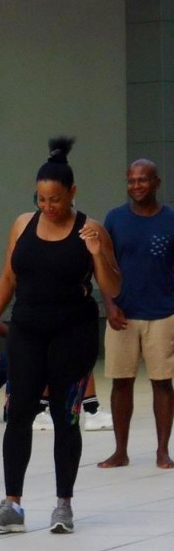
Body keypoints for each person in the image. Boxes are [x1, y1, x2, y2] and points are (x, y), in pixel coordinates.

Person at [0, 137, 121, 535]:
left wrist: (97, 253)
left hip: (72, 332)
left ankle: (63, 505)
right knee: (18, 412)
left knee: (65, 415)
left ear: (72, 192)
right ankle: (12, 505)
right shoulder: (22, 224)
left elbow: (113, 286)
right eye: (41, 199)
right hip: (27, 328)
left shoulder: (91, 229)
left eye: (55, 199)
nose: (47, 207)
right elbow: (8, 277)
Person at [98, 159, 174, 469]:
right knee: (121, 382)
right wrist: (110, 305)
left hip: (163, 314)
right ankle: (120, 451)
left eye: (142, 180)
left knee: (162, 382)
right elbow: (103, 266)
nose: (136, 186)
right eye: (131, 181)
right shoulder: (115, 219)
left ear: (157, 182)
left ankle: (162, 451)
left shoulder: (170, 219)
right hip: (122, 316)